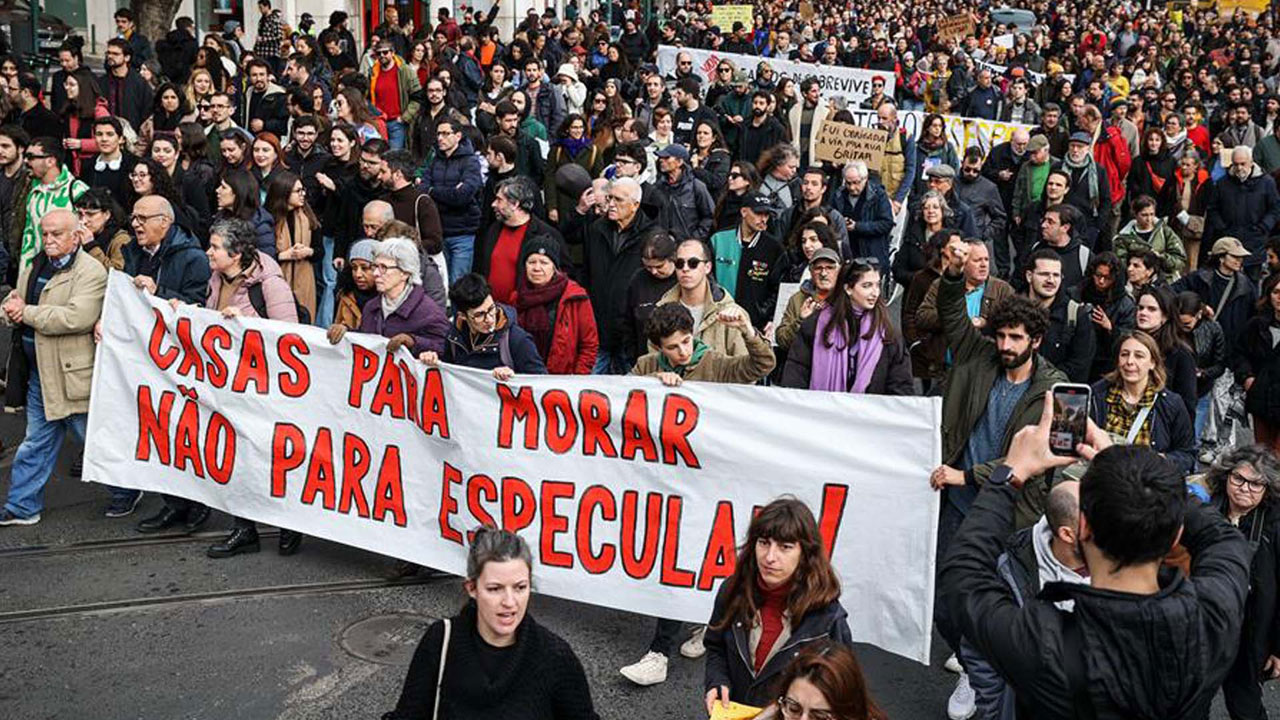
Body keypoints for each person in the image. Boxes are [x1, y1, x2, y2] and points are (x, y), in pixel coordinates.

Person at [940, 393, 1250, 719]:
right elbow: (1224, 538)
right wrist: (1133, 473)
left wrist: (1010, 472)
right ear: (1176, 534)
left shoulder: (1044, 645)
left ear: (1082, 526)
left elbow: (963, 575)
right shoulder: (1216, 615)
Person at [0, 210, 140, 526]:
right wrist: (9, 311)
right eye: (44, 233)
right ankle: (22, 506)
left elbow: (76, 318)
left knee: (93, 439)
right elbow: (17, 302)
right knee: (36, 442)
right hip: (39, 374)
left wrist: (25, 313)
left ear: (75, 236)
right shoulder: (34, 264)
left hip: (75, 375)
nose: (48, 240)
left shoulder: (91, 272)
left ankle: (127, 490)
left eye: (56, 234)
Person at [384, 526, 598, 719]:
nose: (509, 602)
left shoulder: (555, 657)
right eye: (495, 589)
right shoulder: (440, 642)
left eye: (520, 587)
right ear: (472, 589)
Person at [189, 217, 301, 553]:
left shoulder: (269, 285)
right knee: (236, 457)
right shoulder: (216, 278)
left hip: (265, 388)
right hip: (230, 385)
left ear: (236, 254)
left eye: (215, 247)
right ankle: (244, 528)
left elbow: (290, 338)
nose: (208, 252)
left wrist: (245, 323)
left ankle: (290, 524)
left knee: (271, 457)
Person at [703, 498, 851, 710]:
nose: (770, 557)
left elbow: (841, 690)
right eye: (764, 543)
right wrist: (717, 680)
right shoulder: (732, 591)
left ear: (805, 553)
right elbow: (715, 646)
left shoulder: (827, 619)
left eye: (785, 547)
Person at [1202, 447, 1280, 720]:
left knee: (1245, 708)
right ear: (1226, 476)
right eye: (1238, 479)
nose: (1245, 488)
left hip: (1250, 634)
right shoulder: (1205, 509)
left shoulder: (1275, 523)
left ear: (1267, 488)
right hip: (1205, 629)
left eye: (1256, 483)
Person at [781, 258, 913, 395]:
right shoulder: (816, 325)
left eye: (877, 285)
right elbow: (796, 374)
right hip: (821, 411)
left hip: (871, 413)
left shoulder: (887, 332)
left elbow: (900, 385)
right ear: (848, 288)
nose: (875, 293)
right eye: (867, 286)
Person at [1087, 331, 1197, 472]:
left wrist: (1160, 461)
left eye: (1139, 356)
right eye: (1124, 354)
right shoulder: (1097, 394)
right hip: (1103, 479)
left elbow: (1187, 454)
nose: (1130, 362)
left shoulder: (1171, 403)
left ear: (1152, 363)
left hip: (1145, 487)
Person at [328, 237, 449, 359]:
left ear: (405, 272)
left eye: (383, 268)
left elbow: (445, 349)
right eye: (375, 266)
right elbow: (368, 341)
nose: (376, 273)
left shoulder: (428, 312)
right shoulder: (371, 307)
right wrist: (346, 332)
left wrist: (413, 342)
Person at [914, 238, 1015, 384]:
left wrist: (985, 322)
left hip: (986, 371)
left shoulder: (1002, 289)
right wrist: (954, 319)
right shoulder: (941, 285)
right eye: (977, 260)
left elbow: (1014, 324)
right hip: (946, 371)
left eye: (986, 259)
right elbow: (922, 317)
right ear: (963, 262)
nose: (984, 265)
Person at [583, 178, 655, 374]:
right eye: (609, 198)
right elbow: (587, 273)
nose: (611, 204)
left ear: (635, 205)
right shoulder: (597, 229)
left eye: (618, 199)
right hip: (598, 329)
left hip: (630, 335)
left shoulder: (651, 237)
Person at [419, 273, 546, 379]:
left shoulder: (516, 340)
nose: (490, 319)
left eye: (491, 309)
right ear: (462, 316)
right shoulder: (453, 336)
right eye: (479, 315)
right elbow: (448, 373)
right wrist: (433, 361)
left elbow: (541, 381)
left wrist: (514, 377)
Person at [475, 176, 563, 306]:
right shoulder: (493, 230)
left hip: (525, 312)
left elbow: (561, 275)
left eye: (499, 200)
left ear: (515, 204)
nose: (493, 204)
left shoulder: (545, 234)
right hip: (492, 312)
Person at [512, 241, 597, 374]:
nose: (537, 268)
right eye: (531, 262)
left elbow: (589, 344)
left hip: (564, 381)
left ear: (554, 267)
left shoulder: (575, 297)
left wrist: (578, 378)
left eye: (544, 263)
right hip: (525, 378)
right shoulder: (517, 298)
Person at [656, 239, 749, 358]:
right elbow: (654, 361)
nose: (685, 268)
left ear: (708, 267)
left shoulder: (732, 313)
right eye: (679, 263)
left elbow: (744, 366)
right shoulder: (661, 309)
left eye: (693, 263)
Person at [1172, 237, 1259, 357]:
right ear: (1221, 257)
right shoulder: (1198, 278)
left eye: (1241, 257)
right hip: (1200, 343)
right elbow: (1171, 291)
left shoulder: (1246, 286)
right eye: (1234, 256)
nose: (1239, 260)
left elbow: (1253, 314)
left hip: (1230, 348)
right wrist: (1200, 307)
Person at [1020, 249, 1097, 383]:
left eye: (1056, 275)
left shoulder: (1076, 315)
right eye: (1044, 274)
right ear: (1029, 276)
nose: (1051, 280)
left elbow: (1080, 365)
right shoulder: (1012, 311)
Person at [423, 118, 483, 284]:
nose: (440, 138)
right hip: (439, 231)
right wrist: (447, 193)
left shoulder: (470, 162)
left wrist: (433, 191)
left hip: (462, 233)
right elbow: (423, 191)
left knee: (458, 282)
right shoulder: (435, 160)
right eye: (438, 134)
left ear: (457, 136)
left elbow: (462, 196)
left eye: (445, 133)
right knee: (439, 283)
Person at [709, 192, 782, 330]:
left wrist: (764, 314)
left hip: (753, 325)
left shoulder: (774, 248)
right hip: (719, 319)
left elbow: (776, 289)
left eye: (766, 215)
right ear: (744, 212)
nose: (763, 219)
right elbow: (707, 278)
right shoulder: (718, 240)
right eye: (758, 213)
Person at [1204, 146, 1280, 277]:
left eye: (1243, 164)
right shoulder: (1222, 183)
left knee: (1252, 285)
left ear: (1251, 162)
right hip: (1230, 243)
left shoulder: (1266, 182)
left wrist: (1264, 226)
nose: (1239, 168)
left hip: (1255, 243)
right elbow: (1212, 209)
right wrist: (1222, 228)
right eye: (1236, 164)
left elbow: (1275, 208)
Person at [20, 138, 87, 277]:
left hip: (71, 273)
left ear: (50, 161)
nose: (26, 161)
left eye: (31, 157)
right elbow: (29, 239)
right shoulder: (34, 194)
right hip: (39, 272)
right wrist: (24, 278)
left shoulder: (77, 190)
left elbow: (87, 234)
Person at [1134, 286, 1199, 422]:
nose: (1143, 313)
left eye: (1151, 309)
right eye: (1140, 308)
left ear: (1165, 315)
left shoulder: (1180, 353)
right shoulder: (1129, 345)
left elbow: (1187, 405)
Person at [1234, 272, 1280, 453]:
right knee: (1262, 454)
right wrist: (1247, 377)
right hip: (1260, 400)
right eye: (1276, 292)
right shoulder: (1257, 325)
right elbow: (1239, 353)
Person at [263, 172, 318, 321]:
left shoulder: (308, 215)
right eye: (298, 191)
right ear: (284, 192)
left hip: (305, 279)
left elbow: (320, 252)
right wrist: (285, 255)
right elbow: (261, 255)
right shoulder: (268, 218)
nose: (303, 194)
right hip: (277, 280)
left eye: (303, 190)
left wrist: (309, 251)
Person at [1176, 292, 1227, 450]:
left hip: (1200, 390)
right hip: (1175, 389)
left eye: (1186, 323)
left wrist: (1203, 373)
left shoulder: (1212, 329)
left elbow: (1220, 364)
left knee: (1193, 437)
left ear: (1198, 315)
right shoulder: (1171, 327)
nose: (1183, 327)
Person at [1077, 252, 1136, 381]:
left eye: (1107, 278)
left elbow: (1129, 336)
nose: (1101, 281)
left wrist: (1110, 327)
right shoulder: (1078, 292)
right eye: (1098, 276)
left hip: (1106, 362)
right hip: (1080, 357)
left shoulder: (1125, 303)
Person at [832, 161, 895, 269]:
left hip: (872, 255)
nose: (852, 187)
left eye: (856, 182)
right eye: (848, 183)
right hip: (848, 254)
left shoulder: (878, 195)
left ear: (865, 179)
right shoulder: (838, 195)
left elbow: (886, 223)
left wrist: (857, 226)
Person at [1113, 194, 1187, 282]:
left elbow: (1180, 260)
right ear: (1135, 215)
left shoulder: (1164, 231)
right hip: (1135, 282)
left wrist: (1160, 257)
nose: (1149, 219)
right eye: (1144, 215)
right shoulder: (1124, 237)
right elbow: (1121, 265)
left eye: (1152, 214)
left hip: (1165, 281)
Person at [367, 40, 421, 151]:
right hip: (378, 123)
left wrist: (405, 117)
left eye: (385, 52)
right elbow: (368, 97)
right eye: (379, 53)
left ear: (393, 53)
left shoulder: (405, 71)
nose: (382, 56)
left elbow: (418, 97)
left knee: (393, 159)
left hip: (397, 123)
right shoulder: (373, 73)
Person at [655, 143, 715, 242]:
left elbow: (709, 217)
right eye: (661, 157)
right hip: (663, 246)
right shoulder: (658, 187)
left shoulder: (696, 187)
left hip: (687, 248)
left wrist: (694, 239)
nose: (661, 160)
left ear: (679, 162)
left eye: (666, 158)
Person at [73, 188, 130, 271]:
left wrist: (91, 246)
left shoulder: (121, 239)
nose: (84, 220)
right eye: (80, 215)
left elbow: (118, 274)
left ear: (107, 214)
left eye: (90, 214)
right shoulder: (78, 235)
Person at [103, 39, 153, 131]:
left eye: (115, 54)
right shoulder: (101, 82)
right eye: (108, 53)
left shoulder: (139, 83)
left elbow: (147, 111)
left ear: (127, 57)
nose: (110, 56)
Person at [332, 239, 378, 332]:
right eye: (354, 268)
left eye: (365, 268)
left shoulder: (389, 301)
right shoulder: (346, 296)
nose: (358, 274)